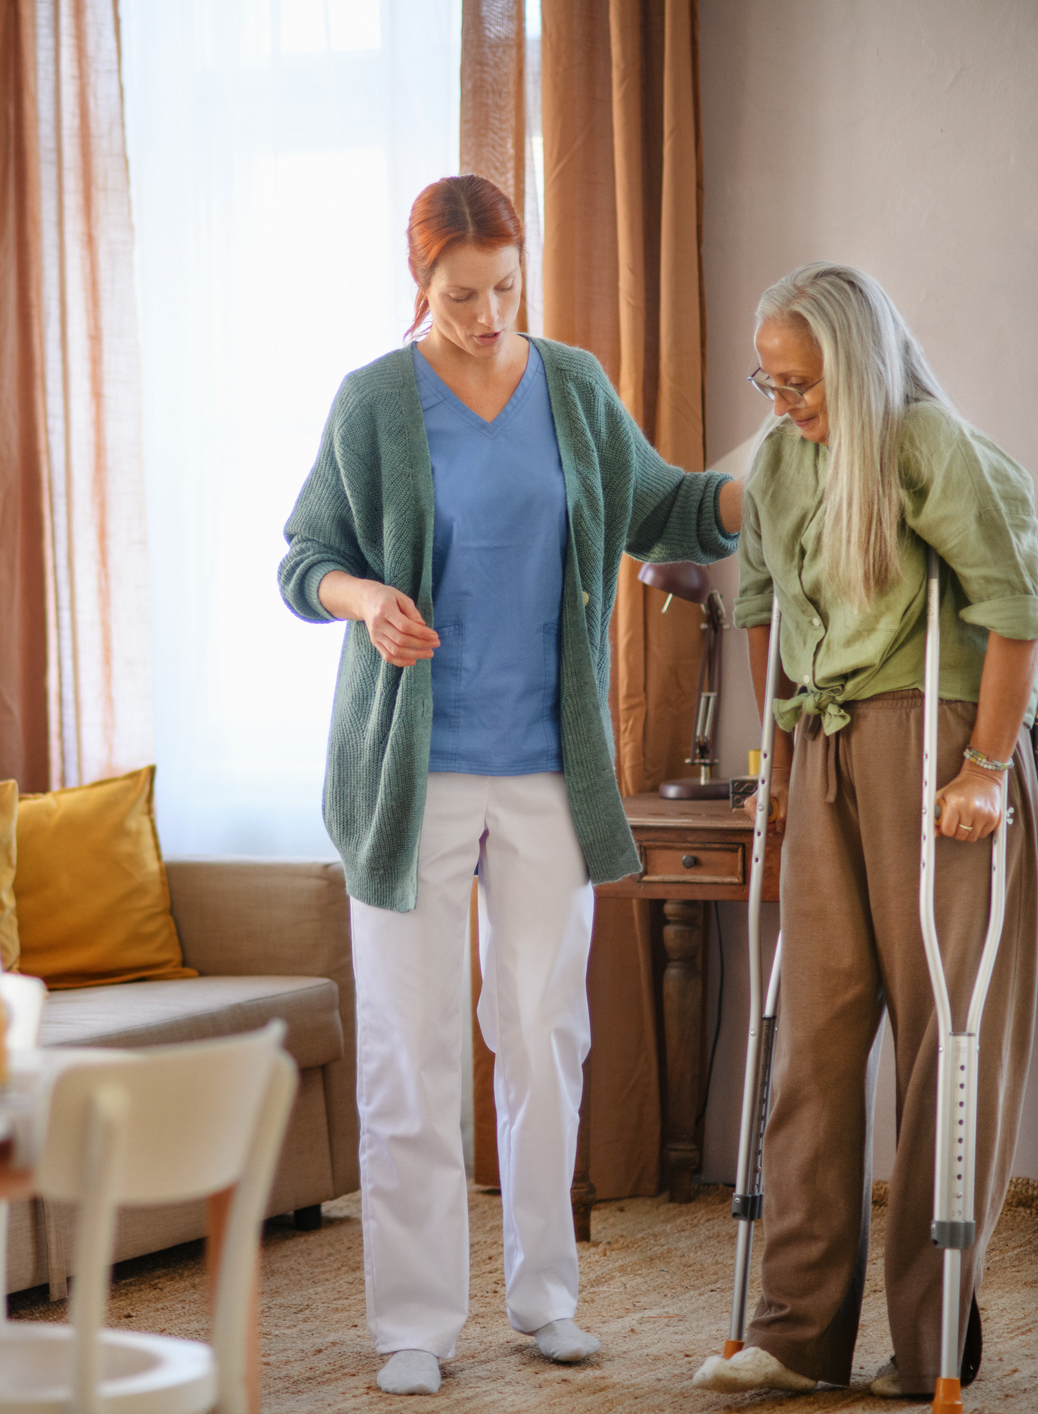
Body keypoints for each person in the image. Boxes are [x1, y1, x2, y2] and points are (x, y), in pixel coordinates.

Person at [277, 173, 741, 1398]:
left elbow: (667, 506)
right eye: (461, 296)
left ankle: (546, 1298)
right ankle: (414, 1323)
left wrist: (771, 483)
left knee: (542, 1035)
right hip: (409, 776)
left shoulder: (576, 387)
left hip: (547, 768)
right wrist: (366, 599)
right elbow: (304, 556)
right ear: (418, 287)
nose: (488, 316)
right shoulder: (374, 401)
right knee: (412, 1049)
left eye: (505, 290)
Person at [691, 262, 1038, 1399]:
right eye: (769, 379)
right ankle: (796, 1332)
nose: (783, 400)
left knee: (946, 1037)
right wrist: (780, 758)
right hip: (824, 740)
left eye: (800, 381)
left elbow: (1012, 609)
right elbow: (761, 611)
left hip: (935, 739)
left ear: (855, 362)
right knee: (813, 1039)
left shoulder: (931, 443)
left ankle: (935, 1336)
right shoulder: (782, 458)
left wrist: (986, 769)